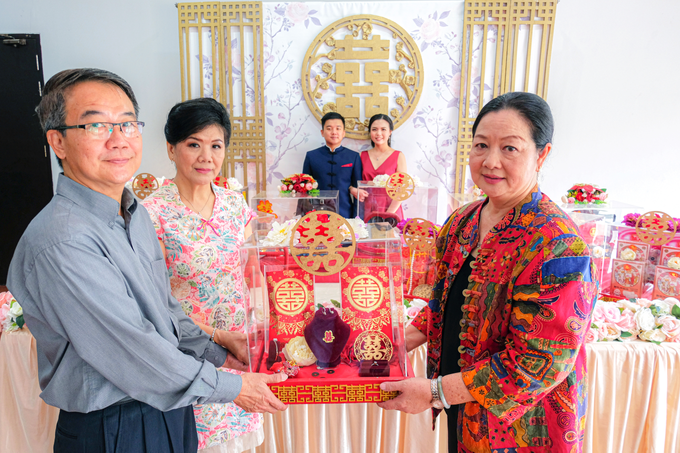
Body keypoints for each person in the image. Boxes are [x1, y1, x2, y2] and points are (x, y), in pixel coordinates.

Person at [7, 68, 287, 453]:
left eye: (127, 124)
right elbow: (131, 347)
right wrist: (232, 386)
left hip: (170, 407)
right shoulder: (63, 240)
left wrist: (219, 350)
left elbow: (163, 308)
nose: (119, 140)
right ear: (58, 141)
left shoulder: (131, 212)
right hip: (114, 426)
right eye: (97, 127)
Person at [378, 92, 598, 453]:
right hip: (461, 408)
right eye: (481, 145)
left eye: (510, 148)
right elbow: (442, 304)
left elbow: (538, 362)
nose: (490, 161)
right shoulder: (462, 221)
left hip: (523, 426)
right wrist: (390, 342)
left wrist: (435, 392)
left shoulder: (557, 244)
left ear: (542, 154)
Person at [142, 98, 263, 452]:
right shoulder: (153, 214)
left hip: (239, 353)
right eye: (193, 144)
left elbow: (253, 273)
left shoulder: (234, 205)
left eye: (216, 145)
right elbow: (153, 301)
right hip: (190, 354)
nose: (205, 156)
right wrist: (217, 337)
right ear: (171, 148)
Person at [302, 112, 362, 218]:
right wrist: (305, 216)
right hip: (316, 214)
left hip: (345, 214)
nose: (334, 132)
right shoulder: (311, 156)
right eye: (329, 128)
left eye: (338, 128)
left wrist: (357, 218)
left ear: (343, 132)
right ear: (322, 132)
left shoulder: (353, 157)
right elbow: (304, 190)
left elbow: (358, 192)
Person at [360, 114, 407, 225]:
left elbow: (402, 190)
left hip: (391, 210)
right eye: (374, 129)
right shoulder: (362, 155)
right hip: (368, 209)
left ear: (390, 132)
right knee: (367, 240)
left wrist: (387, 216)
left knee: (390, 240)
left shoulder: (398, 156)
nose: (378, 133)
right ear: (370, 132)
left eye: (383, 129)